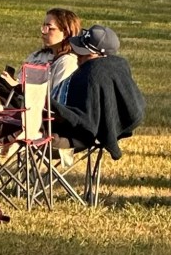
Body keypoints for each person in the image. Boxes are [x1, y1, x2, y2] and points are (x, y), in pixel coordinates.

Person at [51, 25, 145, 159]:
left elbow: (83, 119)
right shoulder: (117, 69)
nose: (78, 56)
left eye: (85, 53)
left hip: (67, 132)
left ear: (101, 56)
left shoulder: (92, 72)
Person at [0, 7, 81, 103]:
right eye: (43, 26)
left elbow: (56, 100)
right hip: (16, 99)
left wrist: (18, 86)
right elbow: (20, 81)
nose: (43, 32)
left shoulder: (67, 62)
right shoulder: (37, 55)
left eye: (49, 28)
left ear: (65, 33)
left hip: (35, 108)